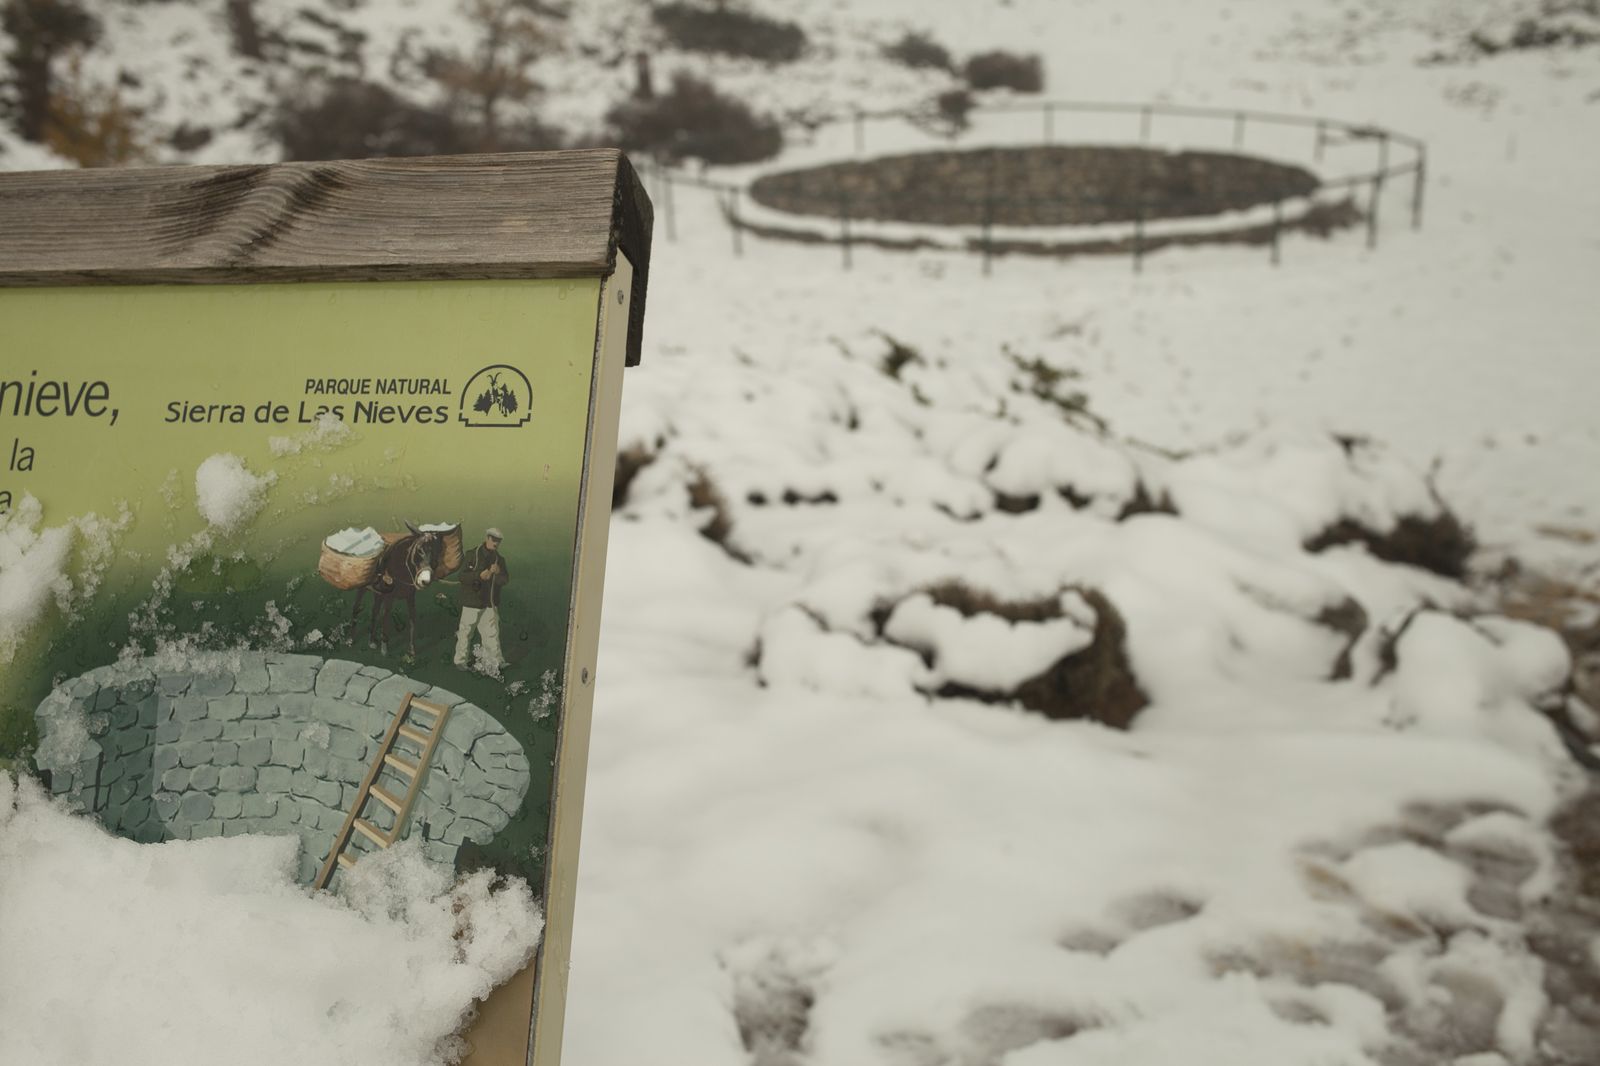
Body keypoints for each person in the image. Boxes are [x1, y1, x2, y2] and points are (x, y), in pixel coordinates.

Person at [454, 527, 510, 671]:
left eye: (498, 541)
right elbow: (461, 577)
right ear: (487, 538)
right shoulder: (472, 555)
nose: (496, 544)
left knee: (492, 634)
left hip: (490, 603)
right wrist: (479, 575)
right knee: (466, 632)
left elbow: (504, 580)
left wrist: (498, 573)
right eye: (493, 540)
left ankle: (495, 661)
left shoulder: (500, 560)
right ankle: (460, 661)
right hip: (472, 602)